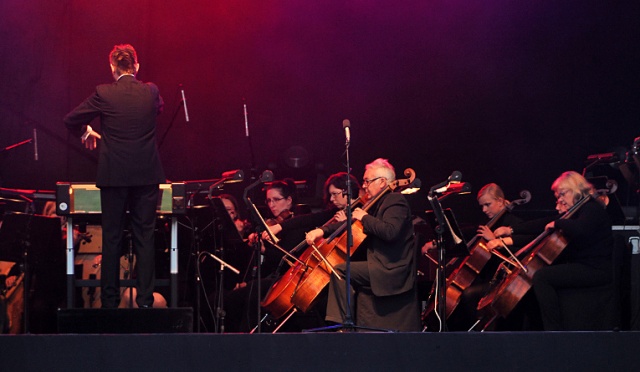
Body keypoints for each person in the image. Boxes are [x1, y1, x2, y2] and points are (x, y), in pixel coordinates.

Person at [64, 44, 165, 309]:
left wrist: (87, 131)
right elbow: (158, 110)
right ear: (137, 66)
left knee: (111, 237)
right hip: (146, 175)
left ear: (112, 67)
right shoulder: (151, 91)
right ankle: (145, 302)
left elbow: (71, 119)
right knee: (145, 237)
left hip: (114, 176)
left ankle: (109, 303)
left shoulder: (104, 93)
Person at [305, 158, 420, 331]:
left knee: (340, 271)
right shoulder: (375, 203)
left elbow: (390, 232)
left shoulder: (395, 200)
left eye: (367, 181)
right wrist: (322, 231)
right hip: (380, 264)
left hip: (391, 268)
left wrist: (364, 217)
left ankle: (342, 324)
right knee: (341, 270)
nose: (364, 186)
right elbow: (350, 222)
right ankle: (344, 322)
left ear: (382, 182)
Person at [496, 171, 614, 330]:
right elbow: (543, 223)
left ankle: (553, 331)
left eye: (562, 194)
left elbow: (580, 230)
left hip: (595, 268)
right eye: (558, 196)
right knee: (538, 279)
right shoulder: (576, 212)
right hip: (582, 265)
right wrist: (512, 230)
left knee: (542, 277)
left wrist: (558, 223)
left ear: (576, 189)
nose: (560, 200)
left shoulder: (592, 208)